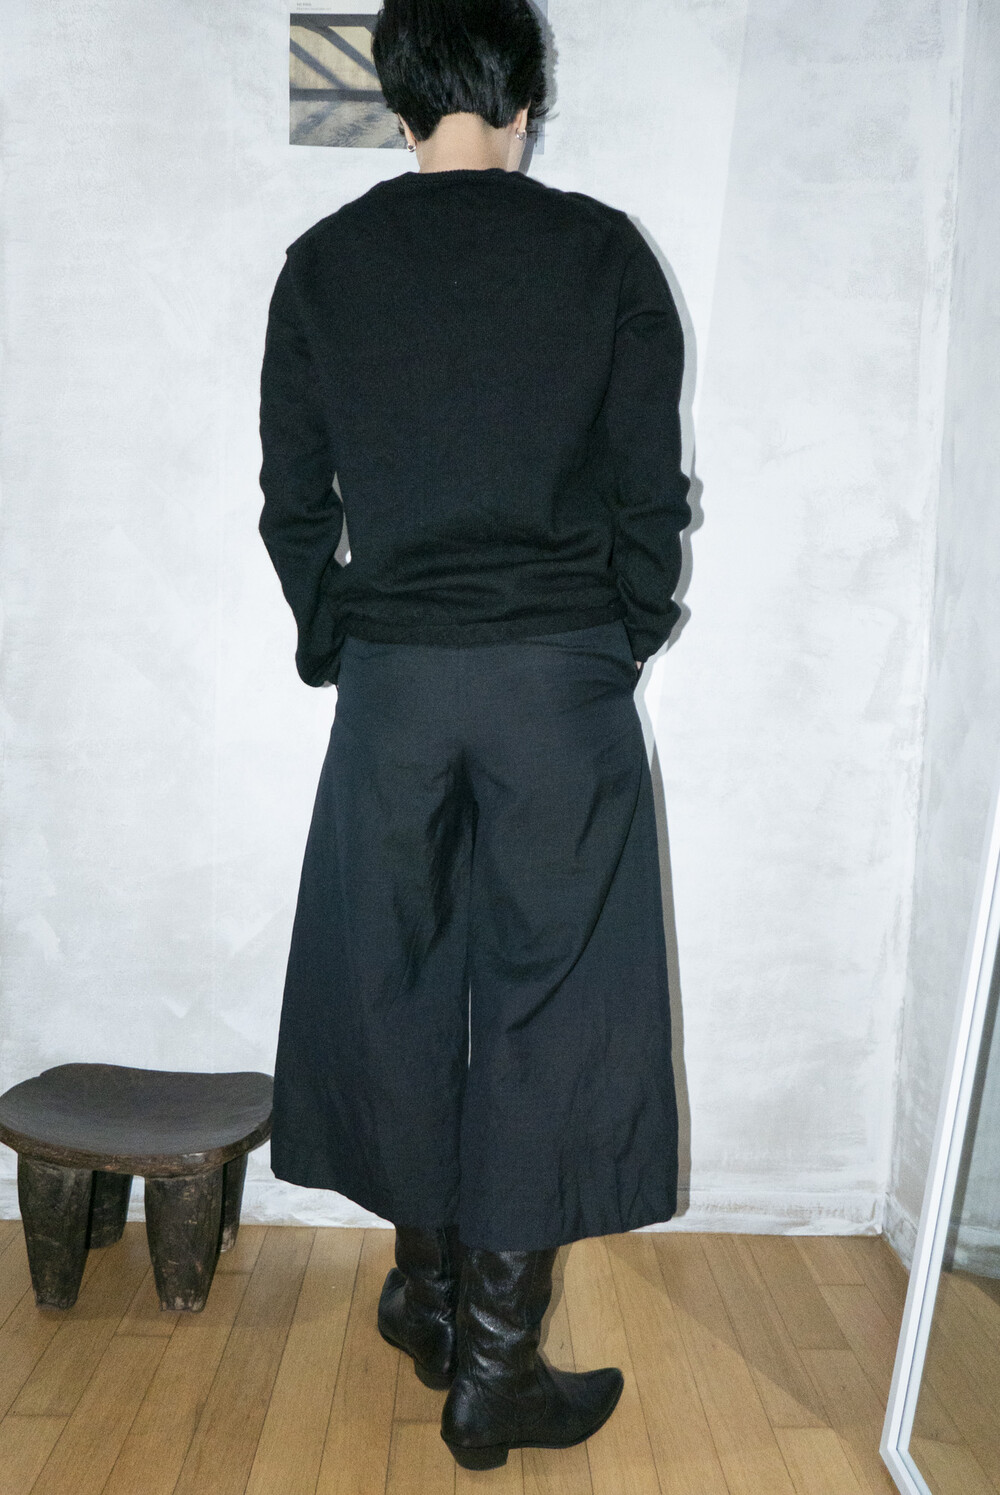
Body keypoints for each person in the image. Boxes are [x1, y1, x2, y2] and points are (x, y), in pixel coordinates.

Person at [258, 0, 691, 1470]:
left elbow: (294, 501)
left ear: (396, 103)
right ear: (525, 97)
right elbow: (648, 494)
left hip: (397, 688)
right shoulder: (604, 256)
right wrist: (617, 631)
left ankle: (434, 1301)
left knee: (395, 985)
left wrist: (341, 636)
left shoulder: (324, 265)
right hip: (554, 690)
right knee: (547, 1011)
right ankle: (486, 1363)